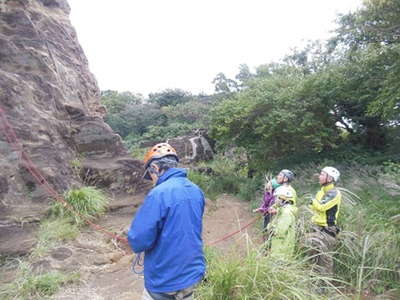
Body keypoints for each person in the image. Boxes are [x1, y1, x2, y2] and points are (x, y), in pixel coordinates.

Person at [127, 143, 206, 300]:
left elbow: (138, 240)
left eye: (151, 175)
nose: (152, 180)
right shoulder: (196, 190)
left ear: (155, 168)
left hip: (164, 279)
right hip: (191, 274)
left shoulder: (158, 194)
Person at [306, 166, 342, 274]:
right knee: (313, 257)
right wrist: (314, 204)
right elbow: (313, 208)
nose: (319, 176)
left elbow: (321, 207)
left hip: (327, 230)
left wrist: (313, 201)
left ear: (330, 179)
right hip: (315, 227)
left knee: (325, 259)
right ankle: (313, 283)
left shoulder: (334, 193)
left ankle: (326, 287)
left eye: (322, 174)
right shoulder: (321, 191)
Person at [266, 185, 298, 259]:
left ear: (283, 199)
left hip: (282, 253)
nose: (275, 200)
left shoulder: (286, 213)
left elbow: (279, 232)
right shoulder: (281, 210)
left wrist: (269, 227)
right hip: (278, 250)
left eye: (277, 198)